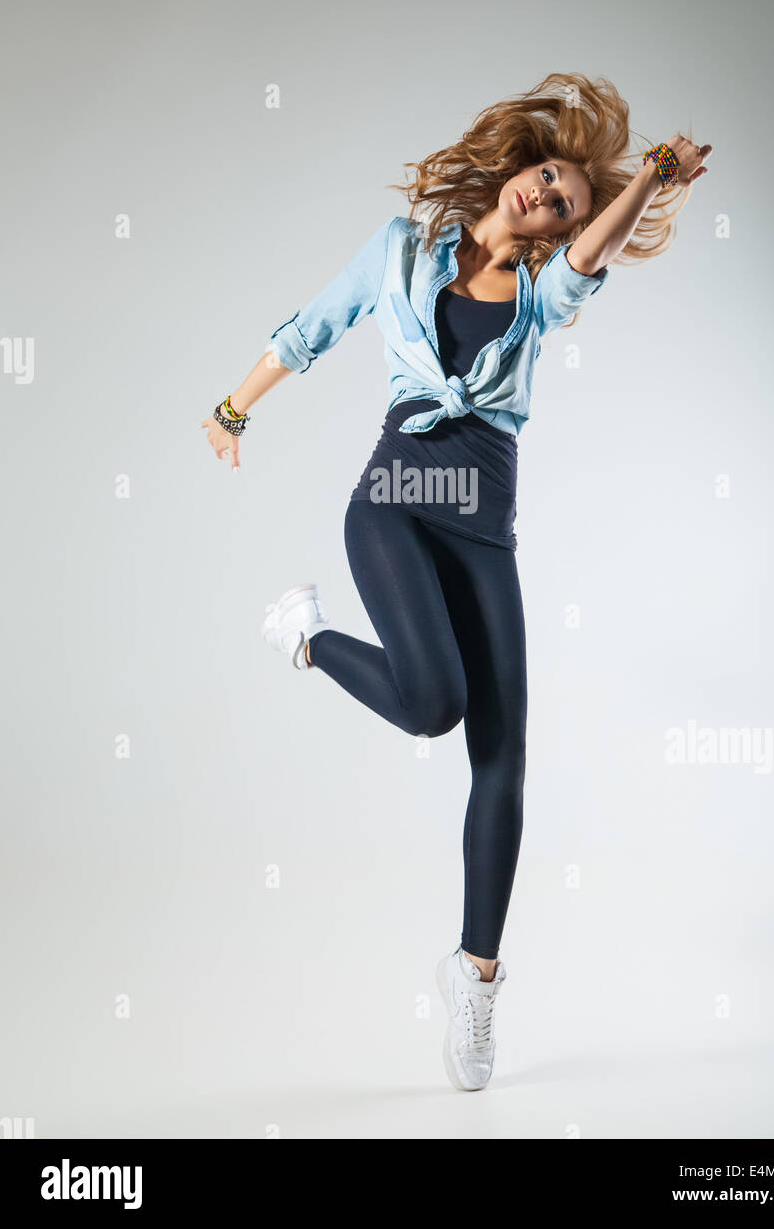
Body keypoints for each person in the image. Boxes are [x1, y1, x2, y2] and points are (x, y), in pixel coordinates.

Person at [201, 71, 712, 1092]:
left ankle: (474, 974)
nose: (549, 197)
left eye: (566, 201)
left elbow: (589, 254)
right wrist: (232, 406)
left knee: (505, 754)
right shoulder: (399, 252)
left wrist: (648, 179)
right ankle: (307, 636)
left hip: (483, 528)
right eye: (545, 176)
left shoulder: (541, 290)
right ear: (514, 167)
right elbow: (315, 324)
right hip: (392, 495)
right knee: (432, 704)